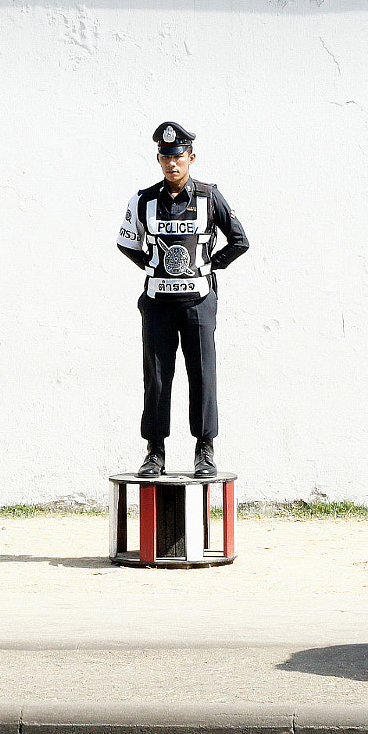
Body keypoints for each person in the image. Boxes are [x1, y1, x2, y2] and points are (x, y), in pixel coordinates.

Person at [117, 122, 250, 478]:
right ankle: (154, 452)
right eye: (165, 157)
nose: (171, 164)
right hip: (158, 304)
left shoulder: (210, 196)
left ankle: (204, 450)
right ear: (159, 160)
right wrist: (153, 266)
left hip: (198, 303)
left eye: (178, 157)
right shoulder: (143, 199)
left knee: (202, 374)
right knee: (157, 378)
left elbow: (240, 240)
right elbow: (127, 243)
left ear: (190, 157)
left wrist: (207, 266)